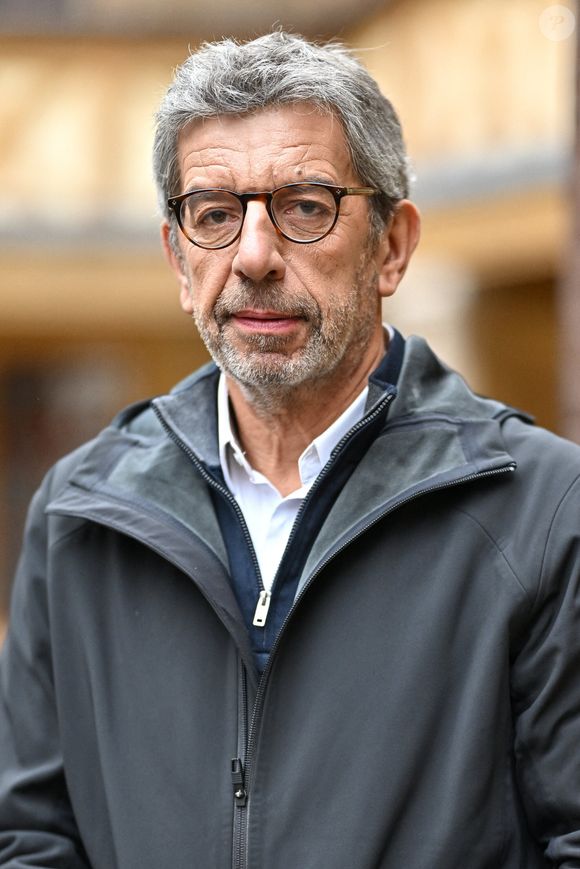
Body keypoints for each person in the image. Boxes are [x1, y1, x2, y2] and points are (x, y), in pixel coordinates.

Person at [0, 30, 579, 869]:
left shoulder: (544, 512)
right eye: (214, 215)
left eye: (306, 206)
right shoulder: (80, 511)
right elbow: (28, 840)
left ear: (391, 246)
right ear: (176, 257)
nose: (255, 256)